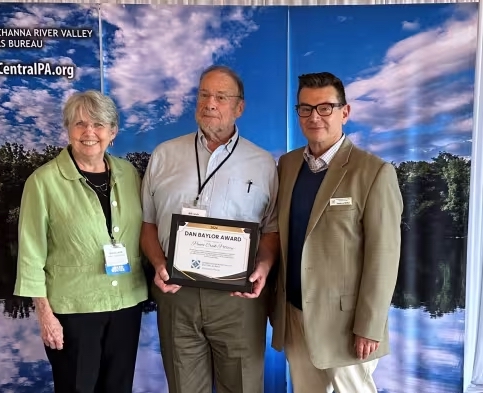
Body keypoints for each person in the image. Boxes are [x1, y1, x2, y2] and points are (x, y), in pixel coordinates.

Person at [140, 65, 280, 393]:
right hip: (177, 296)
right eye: (204, 95)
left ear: (239, 108)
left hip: (238, 298)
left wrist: (263, 265)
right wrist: (160, 265)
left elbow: (271, 230)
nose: (210, 103)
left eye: (220, 96)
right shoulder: (164, 155)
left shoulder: (262, 163)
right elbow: (147, 224)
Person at [270, 71, 403, 393]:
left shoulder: (374, 172)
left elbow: (383, 256)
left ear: (345, 112)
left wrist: (369, 327)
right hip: (295, 316)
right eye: (305, 108)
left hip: (346, 326)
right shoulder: (286, 166)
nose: (315, 117)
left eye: (325, 107)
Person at [13, 90, 147, 393]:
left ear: (112, 132)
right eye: (80, 124)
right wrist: (46, 315)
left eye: (99, 125)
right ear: (68, 130)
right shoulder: (43, 181)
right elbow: (31, 254)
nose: (89, 132)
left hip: (127, 303)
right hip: (73, 311)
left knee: (118, 388)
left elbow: (146, 233)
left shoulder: (130, 174)